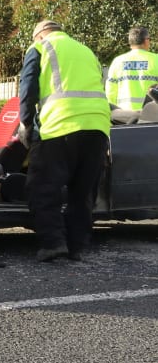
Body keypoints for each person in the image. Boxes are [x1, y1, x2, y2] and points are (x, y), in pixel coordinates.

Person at [18, 19, 110, 262]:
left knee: (42, 188)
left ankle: (53, 243)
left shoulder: (39, 48)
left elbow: (27, 88)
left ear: (38, 35)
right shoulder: (86, 50)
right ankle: (76, 246)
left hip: (60, 126)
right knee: (82, 193)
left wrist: (26, 124)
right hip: (98, 127)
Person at [105, 26, 158, 110]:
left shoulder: (118, 61)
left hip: (124, 117)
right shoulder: (156, 60)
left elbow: (110, 91)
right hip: (151, 116)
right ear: (146, 41)